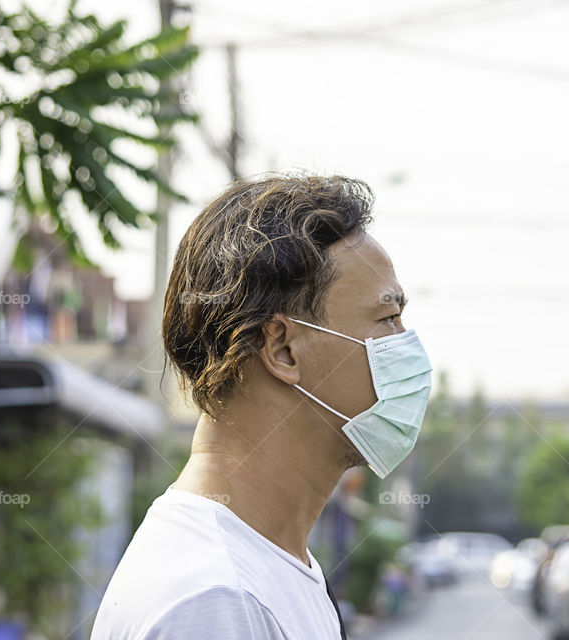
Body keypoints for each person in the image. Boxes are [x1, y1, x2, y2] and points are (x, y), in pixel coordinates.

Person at [90, 174, 432, 639]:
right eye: (388, 318)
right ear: (283, 349)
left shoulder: (269, 565)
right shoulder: (217, 599)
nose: (407, 347)